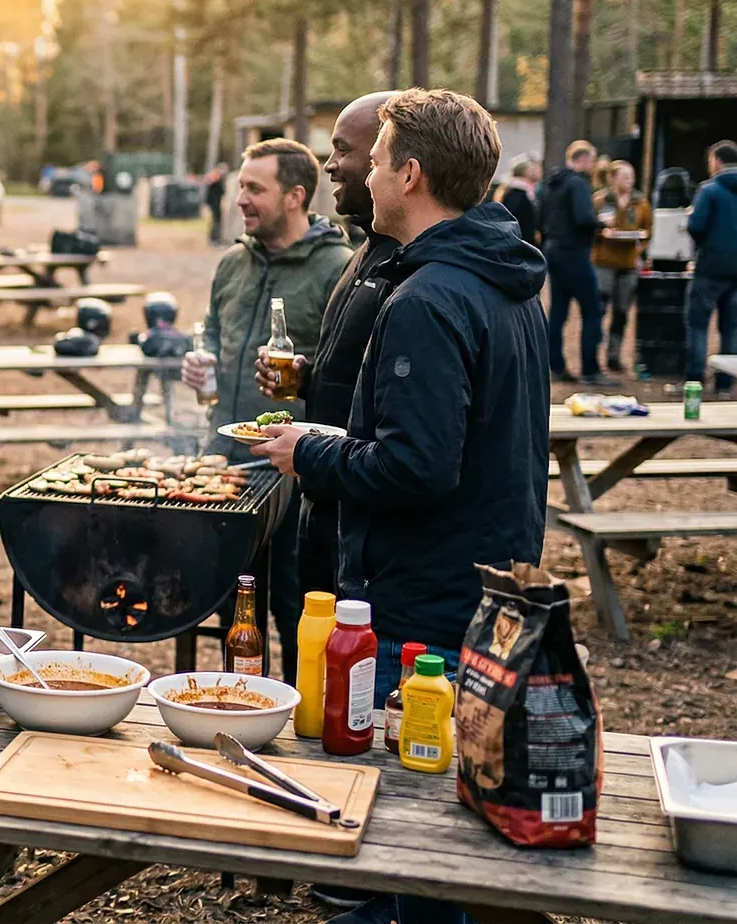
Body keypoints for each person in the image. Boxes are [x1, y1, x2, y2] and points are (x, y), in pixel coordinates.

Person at [253, 89, 547, 924]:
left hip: (425, 594)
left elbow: (419, 469)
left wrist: (310, 451)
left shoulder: (427, 298)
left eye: (376, 160)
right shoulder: (505, 279)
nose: (367, 175)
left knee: (414, 815)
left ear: (409, 174)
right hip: (484, 577)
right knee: (447, 801)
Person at [179, 138, 351, 676]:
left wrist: (301, 379)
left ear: (296, 195)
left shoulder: (337, 267)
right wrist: (201, 364)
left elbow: (347, 375)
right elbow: (213, 332)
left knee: (296, 606)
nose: (241, 200)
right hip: (227, 467)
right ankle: (241, 698)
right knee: (236, 605)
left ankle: (303, 717)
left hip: (300, 470)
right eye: (240, 188)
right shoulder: (233, 262)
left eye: (255, 189)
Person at [255, 92, 399, 607]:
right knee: (304, 643)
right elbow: (365, 378)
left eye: (344, 150)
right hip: (324, 501)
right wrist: (307, 377)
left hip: (368, 527)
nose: (330, 165)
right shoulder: (366, 252)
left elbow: (410, 441)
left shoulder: (414, 271)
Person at [542, 139, 605, 383]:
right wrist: (601, 223)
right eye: (593, 159)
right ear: (584, 159)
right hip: (574, 253)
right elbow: (583, 218)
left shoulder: (553, 183)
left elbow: (542, 217)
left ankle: (554, 365)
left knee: (558, 311)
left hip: (554, 251)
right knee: (592, 311)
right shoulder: (578, 183)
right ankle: (590, 369)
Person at [687, 140, 737, 393]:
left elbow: (696, 225)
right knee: (731, 327)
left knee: (698, 324)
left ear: (717, 161)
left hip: (710, 267)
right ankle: (725, 383)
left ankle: (695, 379)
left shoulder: (709, 190)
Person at [593, 160, 652, 372]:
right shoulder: (600, 200)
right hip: (604, 262)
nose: (629, 181)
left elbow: (648, 229)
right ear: (613, 178)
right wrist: (601, 233)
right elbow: (590, 226)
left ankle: (613, 355)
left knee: (622, 311)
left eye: (632, 177)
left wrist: (641, 246)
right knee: (598, 309)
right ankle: (593, 354)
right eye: (625, 176)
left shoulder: (640, 202)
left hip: (628, 263)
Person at [498, 153, 542, 249]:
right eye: (534, 169)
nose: (539, 171)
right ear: (526, 172)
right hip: (520, 245)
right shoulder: (518, 194)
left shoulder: (524, 192)